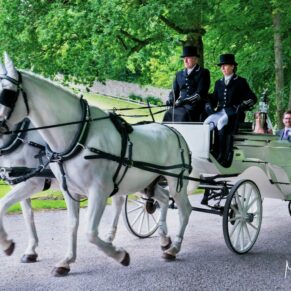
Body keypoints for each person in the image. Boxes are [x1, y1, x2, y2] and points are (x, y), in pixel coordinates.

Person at [204, 53, 257, 166]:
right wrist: (208, 102)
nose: (222, 68)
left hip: (234, 112)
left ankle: (223, 155)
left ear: (232, 66)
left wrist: (242, 105)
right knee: (207, 123)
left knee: (221, 122)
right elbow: (214, 98)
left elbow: (252, 98)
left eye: (225, 65)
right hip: (220, 111)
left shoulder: (240, 81)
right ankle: (210, 152)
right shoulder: (218, 82)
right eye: (221, 66)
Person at [163, 46, 210, 122]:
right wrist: (171, 99)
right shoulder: (179, 74)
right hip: (181, 105)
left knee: (182, 115)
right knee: (168, 113)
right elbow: (174, 91)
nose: (185, 60)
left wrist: (184, 101)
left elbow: (200, 93)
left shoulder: (203, 72)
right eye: (184, 58)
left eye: (188, 58)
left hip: (196, 106)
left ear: (195, 59)